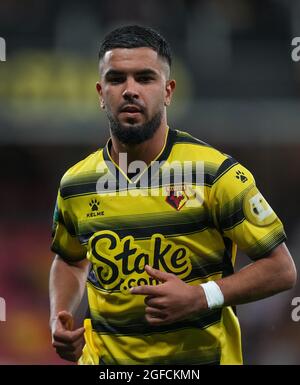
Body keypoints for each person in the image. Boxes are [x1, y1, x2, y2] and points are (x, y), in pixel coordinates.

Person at [49, 25, 297, 365]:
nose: (130, 90)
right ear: (100, 91)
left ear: (168, 91)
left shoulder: (215, 174)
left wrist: (201, 296)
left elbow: (281, 269)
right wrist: (58, 315)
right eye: (116, 78)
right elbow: (69, 259)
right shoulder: (76, 184)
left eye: (145, 78)